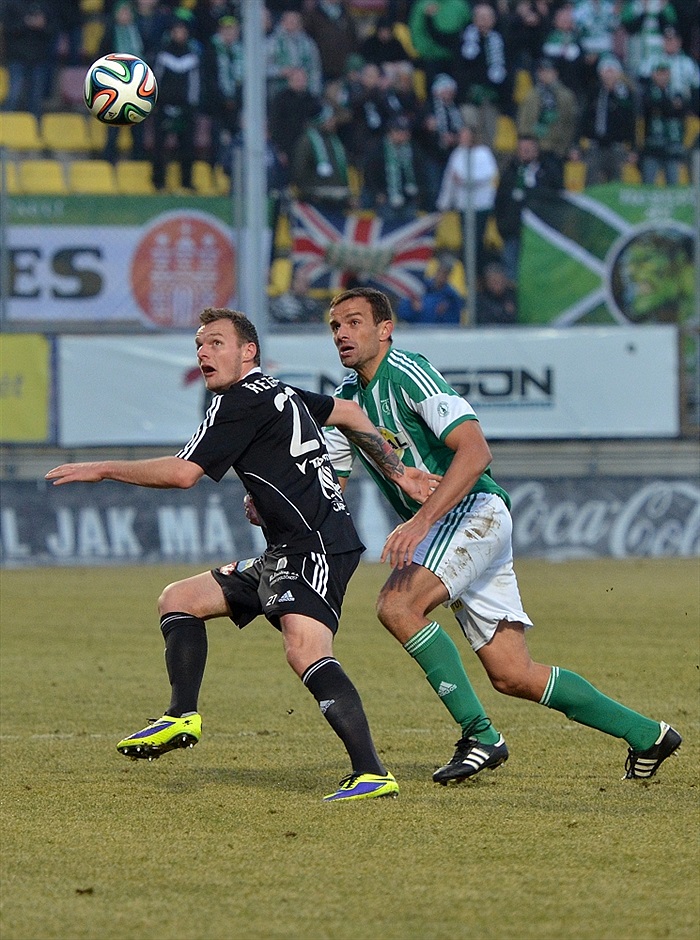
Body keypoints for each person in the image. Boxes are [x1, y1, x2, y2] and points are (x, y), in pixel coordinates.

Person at [44, 308, 437, 803]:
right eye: (199, 346)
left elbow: (184, 473)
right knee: (179, 599)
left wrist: (103, 468)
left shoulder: (235, 403)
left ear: (247, 351)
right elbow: (352, 416)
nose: (204, 353)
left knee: (306, 651)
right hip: (288, 545)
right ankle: (180, 715)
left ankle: (371, 772)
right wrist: (397, 471)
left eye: (215, 343)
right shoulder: (279, 390)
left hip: (314, 544)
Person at [323, 286, 682, 784]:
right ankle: (649, 734)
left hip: (473, 511)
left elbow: (475, 453)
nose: (342, 333)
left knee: (397, 606)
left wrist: (421, 521)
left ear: (386, 329)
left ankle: (480, 735)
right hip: (452, 525)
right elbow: (329, 483)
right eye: (336, 325)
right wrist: (272, 502)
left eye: (354, 322)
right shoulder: (345, 401)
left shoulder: (407, 372)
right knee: (512, 674)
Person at [494, 134, 563, 284]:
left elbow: (558, 199)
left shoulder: (549, 172)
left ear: (536, 151)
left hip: (541, 233)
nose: (524, 152)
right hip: (513, 233)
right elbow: (500, 202)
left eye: (528, 149)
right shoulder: (510, 173)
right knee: (512, 275)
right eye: (521, 149)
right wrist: (504, 226)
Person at [436, 123, 498, 278]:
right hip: (463, 206)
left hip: (480, 206)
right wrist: (443, 204)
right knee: (466, 241)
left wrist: (464, 180)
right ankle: (467, 276)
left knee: (477, 241)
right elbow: (449, 180)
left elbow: (487, 174)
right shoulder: (457, 153)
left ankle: (478, 275)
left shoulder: (483, 153)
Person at [151, 9, 201, 192]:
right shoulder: (163, 55)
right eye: (177, 30)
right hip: (163, 107)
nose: (180, 34)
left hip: (185, 109)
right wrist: (156, 104)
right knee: (159, 146)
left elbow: (194, 85)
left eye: (183, 31)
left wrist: (191, 106)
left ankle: (186, 182)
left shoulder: (192, 56)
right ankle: (158, 182)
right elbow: (155, 80)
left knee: (187, 147)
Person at [396, 255, 464, 325]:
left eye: (446, 273)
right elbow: (402, 313)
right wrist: (412, 308)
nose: (442, 276)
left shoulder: (451, 297)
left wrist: (443, 315)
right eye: (441, 271)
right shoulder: (420, 287)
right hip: (416, 332)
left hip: (438, 333)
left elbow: (455, 323)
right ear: (436, 271)